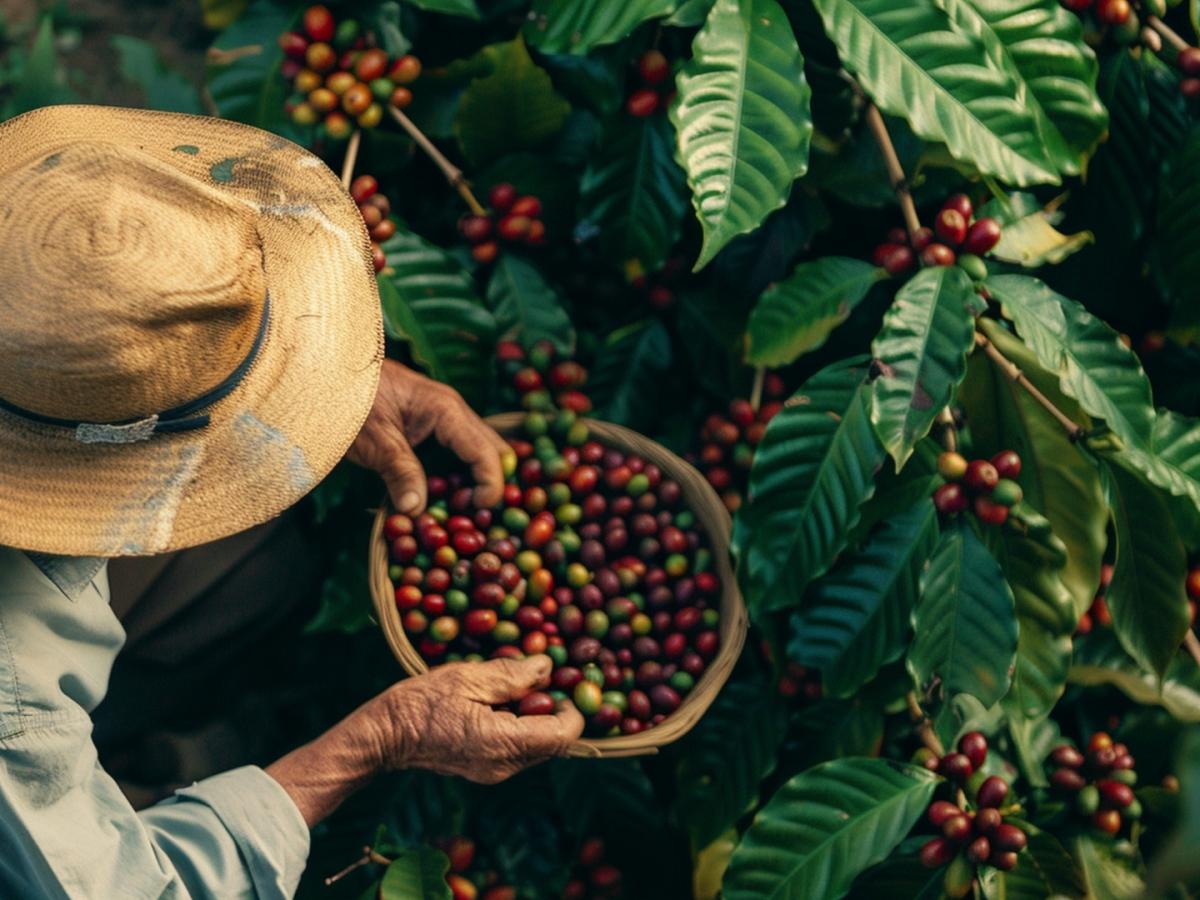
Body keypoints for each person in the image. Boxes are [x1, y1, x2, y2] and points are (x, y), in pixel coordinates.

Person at [0, 104, 584, 899]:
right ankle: (97, 785)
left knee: (251, 569)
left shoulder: (26, 252)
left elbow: (79, 334)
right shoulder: (14, 688)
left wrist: (316, 386)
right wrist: (384, 738)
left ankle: (130, 742)